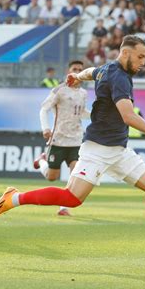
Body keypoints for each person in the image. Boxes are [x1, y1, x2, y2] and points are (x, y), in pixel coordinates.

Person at [0, 35, 145, 250]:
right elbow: (128, 116)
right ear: (125, 53)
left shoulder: (107, 69)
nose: (143, 62)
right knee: (71, 198)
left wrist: (77, 76)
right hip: (97, 149)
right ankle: (14, 198)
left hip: (118, 149)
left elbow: (90, 72)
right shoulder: (119, 77)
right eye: (140, 57)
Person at [33, 60, 90, 217]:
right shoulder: (59, 90)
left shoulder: (83, 93)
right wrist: (45, 128)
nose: (77, 71)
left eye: (80, 69)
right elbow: (44, 109)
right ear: (68, 71)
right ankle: (41, 161)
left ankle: (63, 207)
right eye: (74, 69)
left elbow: (81, 112)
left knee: (75, 174)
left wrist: (95, 115)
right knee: (52, 177)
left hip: (76, 140)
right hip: (58, 139)